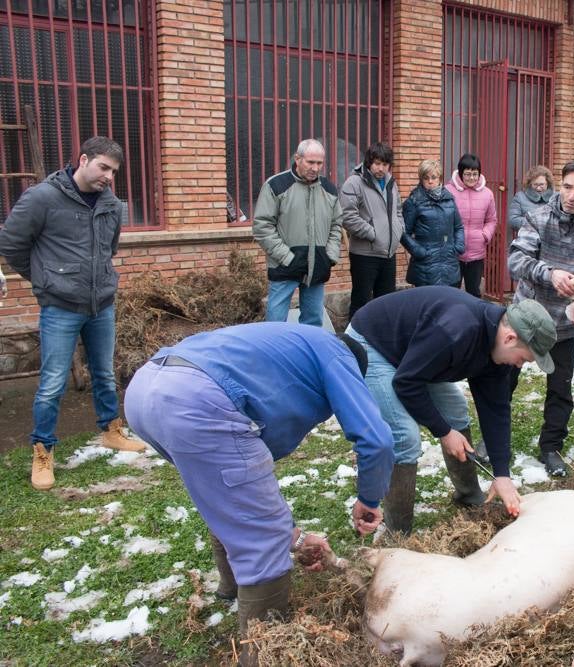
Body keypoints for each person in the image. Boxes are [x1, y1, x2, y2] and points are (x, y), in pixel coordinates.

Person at [123, 322, 394, 663]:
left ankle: (232, 588)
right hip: (198, 400)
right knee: (259, 539)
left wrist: (293, 537)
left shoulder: (291, 344)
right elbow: (377, 441)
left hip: (146, 390)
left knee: (225, 498)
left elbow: (240, 487)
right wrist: (369, 500)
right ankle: (264, 652)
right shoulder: (338, 354)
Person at [346, 286, 556, 534]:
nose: (520, 364)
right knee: (405, 436)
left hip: (414, 352)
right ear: (510, 338)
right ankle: (397, 534)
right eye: (524, 358)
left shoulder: (497, 352)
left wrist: (502, 474)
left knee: (456, 410)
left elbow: (496, 410)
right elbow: (406, 383)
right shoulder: (457, 330)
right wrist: (444, 432)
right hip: (373, 344)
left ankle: (469, 496)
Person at [0, 136, 146, 492]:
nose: (109, 176)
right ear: (83, 160)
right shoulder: (43, 197)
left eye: (113, 171)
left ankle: (111, 431)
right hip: (60, 306)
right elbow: (11, 244)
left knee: (104, 371)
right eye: (103, 167)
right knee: (51, 383)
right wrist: (45, 279)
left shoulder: (110, 203)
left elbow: (109, 247)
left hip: (101, 303)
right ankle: (43, 450)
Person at [508, 160, 574, 477]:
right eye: (567, 186)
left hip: (565, 325)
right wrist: (550, 274)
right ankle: (492, 438)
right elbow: (516, 260)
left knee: (560, 389)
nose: (571, 195)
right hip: (526, 316)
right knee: (503, 382)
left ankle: (551, 447)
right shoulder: (537, 218)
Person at [252, 138, 343, 327]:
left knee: (313, 322)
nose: (315, 168)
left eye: (319, 163)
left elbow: (336, 225)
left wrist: (330, 255)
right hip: (284, 266)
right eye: (310, 162)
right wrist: (287, 257)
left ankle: (306, 355)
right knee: (275, 324)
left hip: (317, 265)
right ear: (297, 159)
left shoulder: (329, 189)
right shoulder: (276, 185)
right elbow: (262, 227)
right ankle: (275, 357)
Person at [341, 142, 403, 318]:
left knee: (385, 304)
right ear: (369, 162)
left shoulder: (391, 183)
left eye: (385, 164)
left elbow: (398, 211)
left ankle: (378, 341)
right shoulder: (354, 183)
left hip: (388, 254)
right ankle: (352, 342)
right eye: (377, 163)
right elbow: (347, 216)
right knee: (360, 302)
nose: (381, 168)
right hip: (365, 255)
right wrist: (373, 234)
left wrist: (398, 230)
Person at [401, 159, 464, 287]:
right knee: (427, 305)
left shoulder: (449, 200)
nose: (430, 181)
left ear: (439, 178)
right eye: (426, 178)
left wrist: (458, 247)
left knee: (449, 304)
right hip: (425, 266)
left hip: (449, 264)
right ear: (421, 179)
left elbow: (458, 227)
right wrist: (420, 251)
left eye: (434, 177)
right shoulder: (413, 201)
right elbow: (403, 233)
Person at [445, 153, 498, 298]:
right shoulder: (448, 191)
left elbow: (491, 220)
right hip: (453, 252)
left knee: (474, 293)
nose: (472, 178)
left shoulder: (487, 194)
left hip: (476, 253)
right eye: (467, 174)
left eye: (475, 174)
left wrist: (484, 235)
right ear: (461, 173)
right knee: (451, 292)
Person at [508, 165, 554, 232]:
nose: (538, 188)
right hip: (527, 239)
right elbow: (513, 220)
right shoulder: (520, 197)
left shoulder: (556, 197)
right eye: (535, 184)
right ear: (530, 184)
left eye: (542, 185)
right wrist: (538, 223)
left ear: (548, 183)